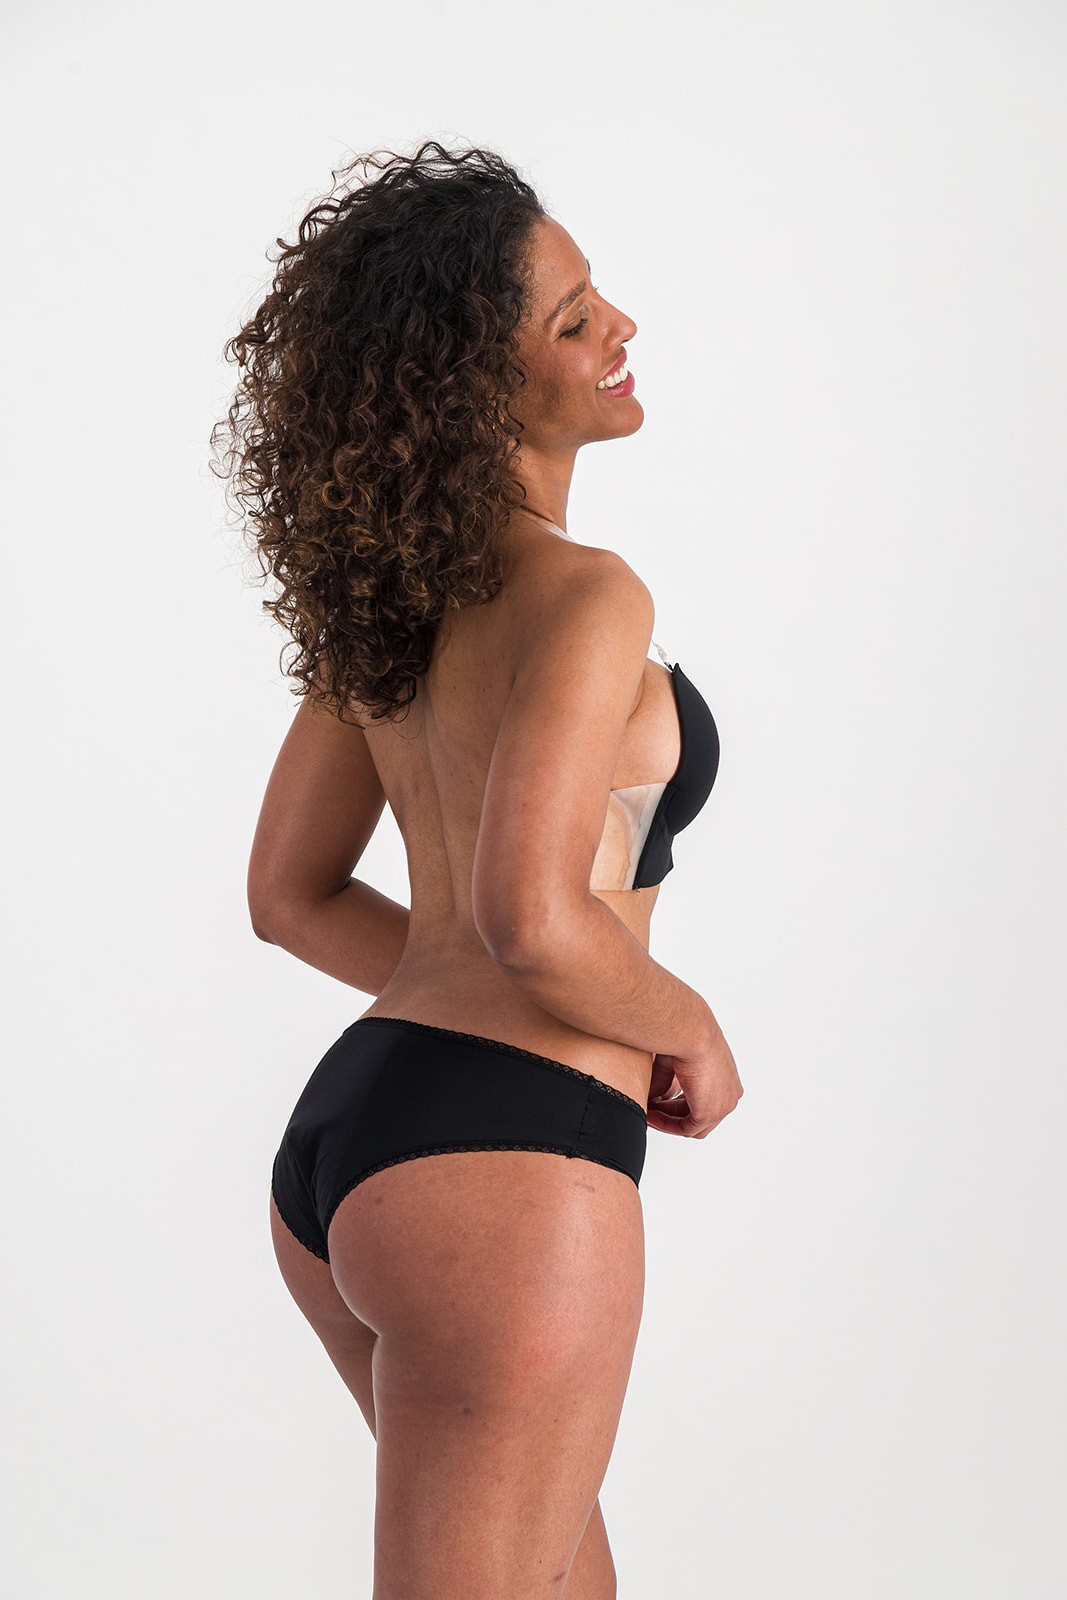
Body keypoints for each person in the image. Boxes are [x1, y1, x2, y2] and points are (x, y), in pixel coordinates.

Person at [212, 139, 743, 1599]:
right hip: (508, 1171)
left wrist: (474, 996)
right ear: (466, 388)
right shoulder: (590, 595)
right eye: (572, 321)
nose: (619, 326)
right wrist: (686, 1024)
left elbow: (288, 896)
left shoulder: (393, 600)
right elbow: (530, 916)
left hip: (359, 1142)